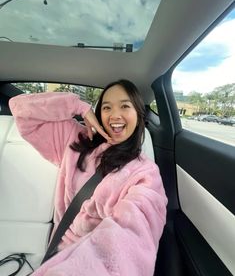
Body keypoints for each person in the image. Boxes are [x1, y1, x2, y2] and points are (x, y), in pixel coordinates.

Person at [9, 79, 167, 276]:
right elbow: (20, 108)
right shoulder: (76, 140)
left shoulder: (145, 173)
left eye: (125, 106)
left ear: (138, 114)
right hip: (53, 254)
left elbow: (131, 235)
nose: (115, 115)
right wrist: (78, 107)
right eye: (107, 107)